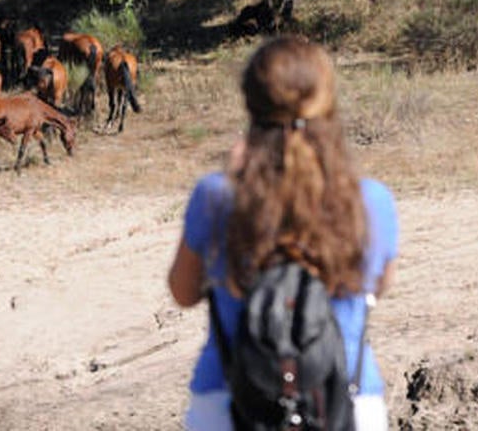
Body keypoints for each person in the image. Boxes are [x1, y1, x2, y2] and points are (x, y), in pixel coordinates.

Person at [167, 36, 398, 430]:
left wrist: (232, 175)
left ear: (250, 102)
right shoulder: (370, 200)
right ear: (327, 100)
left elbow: (183, 293)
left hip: (229, 399)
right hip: (346, 400)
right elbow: (378, 284)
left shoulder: (216, 196)